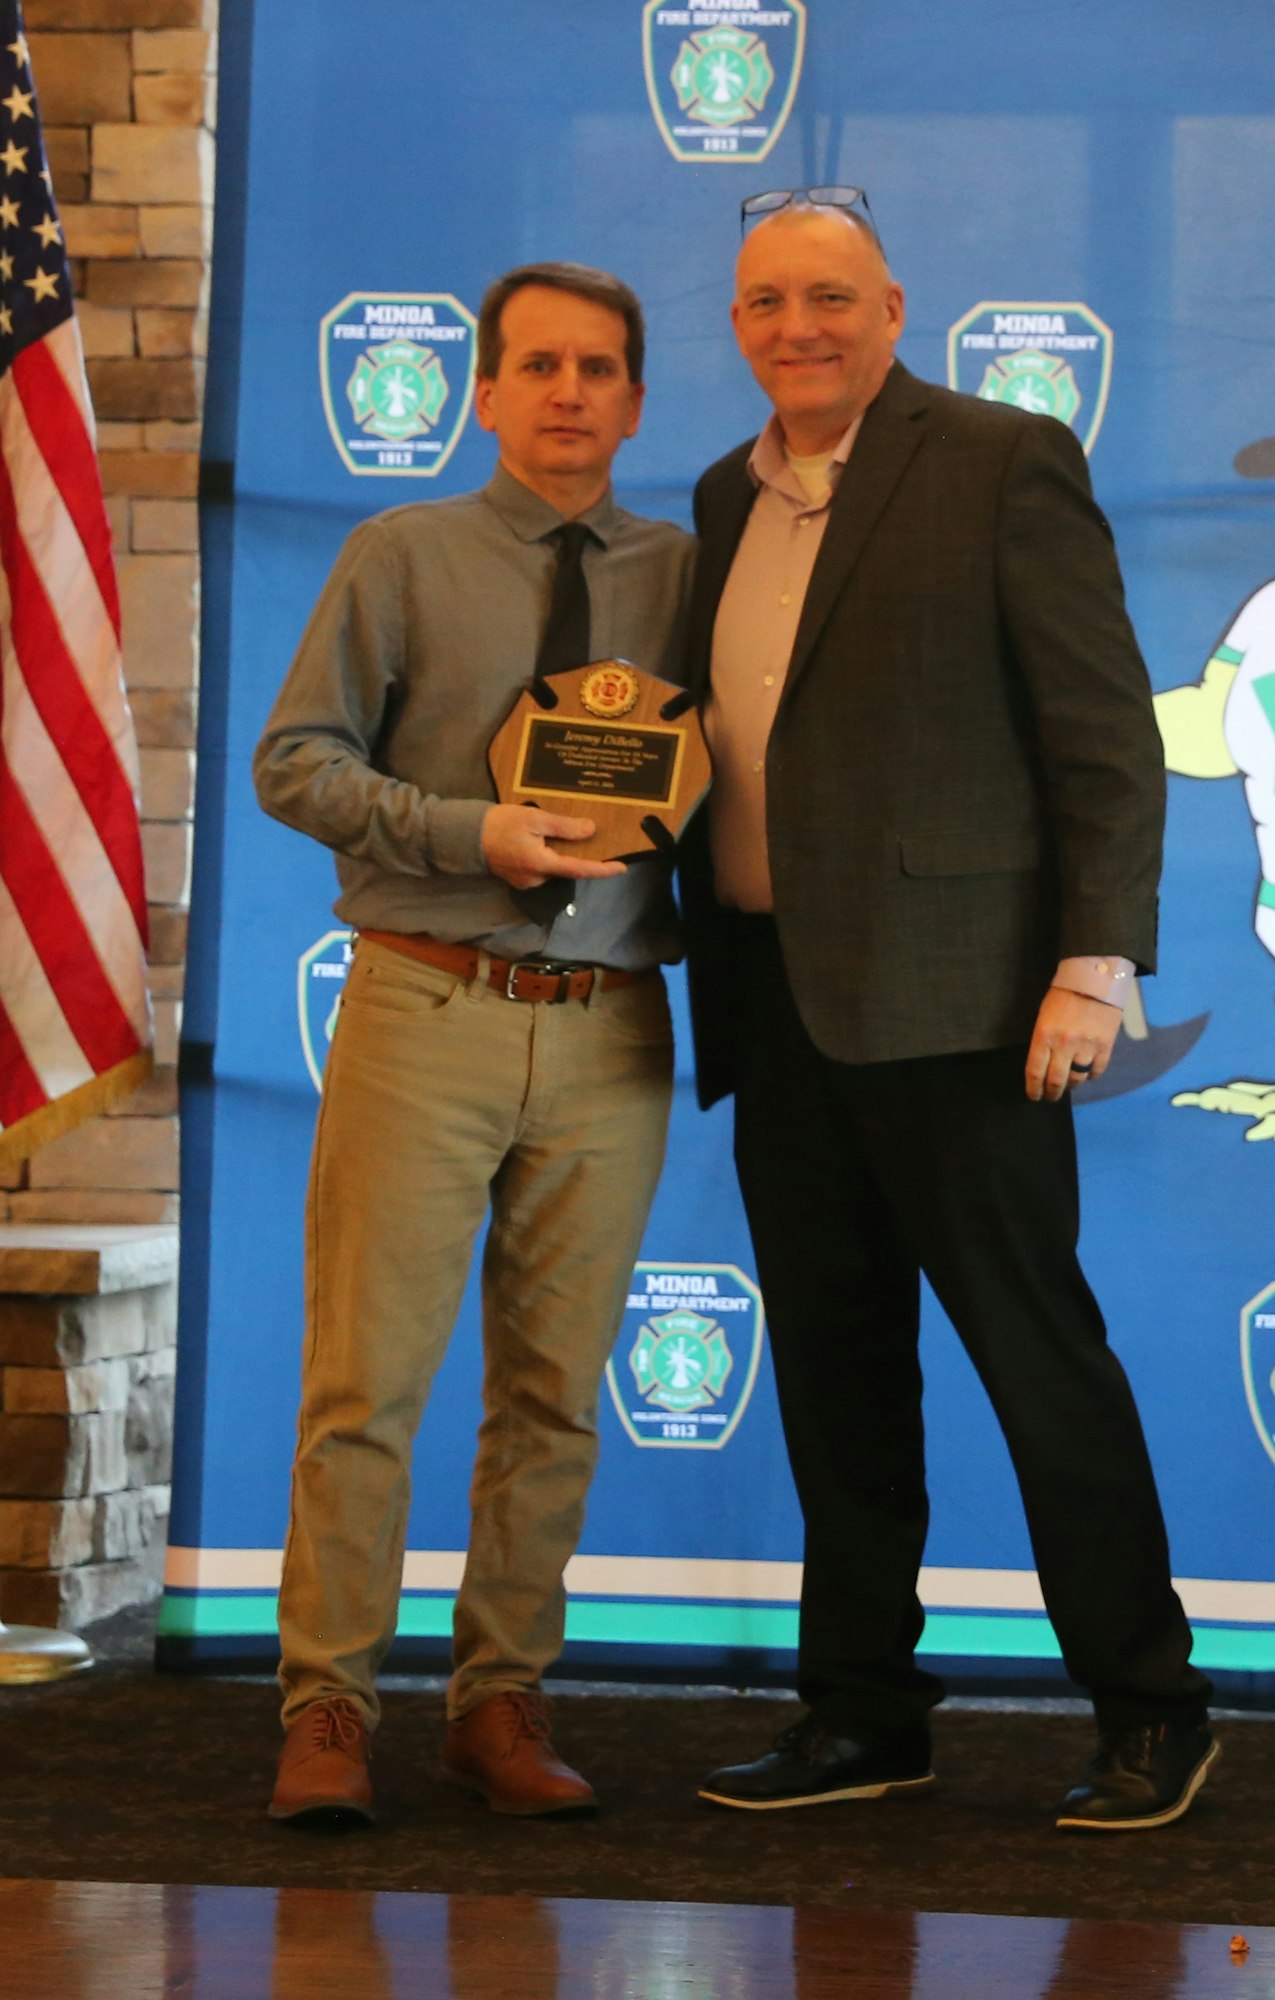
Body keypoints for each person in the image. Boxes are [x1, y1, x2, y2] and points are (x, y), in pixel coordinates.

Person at [678, 191, 1214, 1831]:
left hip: (969, 1012)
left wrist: (1093, 960)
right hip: (775, 1006)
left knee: (1040, 1368)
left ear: (893, 308)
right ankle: (862, 1714)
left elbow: (1102, 735)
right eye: (766, 301)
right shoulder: (720, 495)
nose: (797, 327)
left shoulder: (999, 459)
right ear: (737, 325)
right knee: (836, 1385)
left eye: (828, 296)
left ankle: (1150, 1710)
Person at [254, 261, 692, 1826]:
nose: (569, 392)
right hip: (425, 1002)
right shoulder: (402, 553)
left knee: (556, 1394)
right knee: (364, 1387)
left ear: (634, 401)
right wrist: (471, 831)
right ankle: (326, 1708)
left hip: (610, 1029)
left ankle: (499, 1702)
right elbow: (294, 761)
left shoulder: (688, 575)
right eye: (539, 366)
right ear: (486, 392)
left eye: (598, 368)